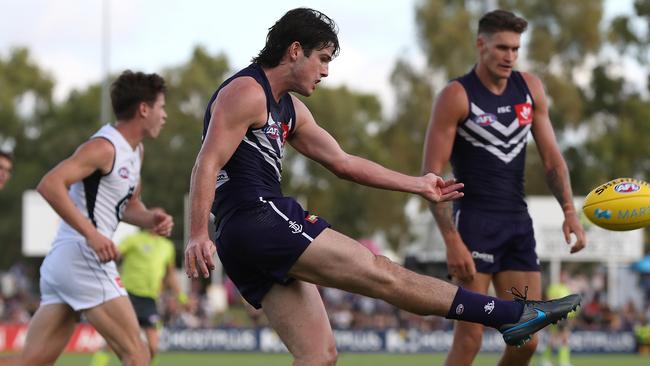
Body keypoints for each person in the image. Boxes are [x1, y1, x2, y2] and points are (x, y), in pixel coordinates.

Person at [184, 8, 580, 365]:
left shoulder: (291, 109)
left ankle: (514, 316)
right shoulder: (246, 92)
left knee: (319, 356)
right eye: (322, 60)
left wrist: (418, 185)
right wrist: (198, 233)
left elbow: (344, 164)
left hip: (249, 236)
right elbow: (207, 160)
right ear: (294, 50)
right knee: (382, 273)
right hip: (259, 219)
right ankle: (513, 315)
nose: (325, 72)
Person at [421, 9, 587, 366]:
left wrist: (570, 213)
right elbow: (431, 179)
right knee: (469, 340)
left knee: (526, 341)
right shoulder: (456, 95)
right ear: (481, 45)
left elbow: (552, 161)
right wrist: (451, 240)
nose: (510, 56)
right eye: (501, 48)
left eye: (515, 48)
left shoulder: (530, 90)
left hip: (516, 224)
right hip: (473, 226)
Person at [0, 70, 172, 366]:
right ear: (144, 109)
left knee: (32, 362)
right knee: (138, 354)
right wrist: (93, 235)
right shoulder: (104, 147)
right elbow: (50, 184)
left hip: (67, 260)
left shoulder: (136, 152)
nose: (165, 115)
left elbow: (129, 206)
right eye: (162, 107)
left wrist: (150, 218)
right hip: (84, 258)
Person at [90, 230, 186, 366]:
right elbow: (112, 255)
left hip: (150, 300)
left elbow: (170, 275)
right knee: (113, 342)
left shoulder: (167, 246)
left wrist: (181, 297)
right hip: (129, 297)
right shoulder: (134, 239)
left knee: (153, 347)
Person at [539, 280, 575, 366]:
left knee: (562, 338)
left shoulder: (566, 289)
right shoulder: (554, 288)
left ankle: (555, 360)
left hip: (566, 316)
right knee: (556, 338)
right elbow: (550, 300)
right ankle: (548, 360)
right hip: (558, 316)